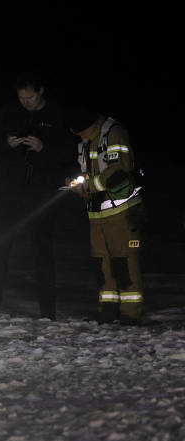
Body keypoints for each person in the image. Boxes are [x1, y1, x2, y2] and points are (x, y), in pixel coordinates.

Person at [0, 73, 75, 320]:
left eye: (30, 97)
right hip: (9, 193)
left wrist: (43, 149)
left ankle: (48, 313)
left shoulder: (56, 115)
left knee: (43, 252)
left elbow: (69, 153)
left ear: (41, 91)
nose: (26, 102)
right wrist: (7, 143)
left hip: (41, 195)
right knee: (0, 248)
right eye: (21, 98)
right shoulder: (8, 113)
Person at [64, 109, 146, 325]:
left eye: (82, 131)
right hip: (97, 212)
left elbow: (119, 171)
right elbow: (90, 169)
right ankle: (108, 311)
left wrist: (89, 186)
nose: (80, 136)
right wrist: (78, 183)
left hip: (122, 210)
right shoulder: (85, 139)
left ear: (92, 124)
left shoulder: (113, 133)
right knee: (102, 264)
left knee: (125, 262)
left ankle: (130, 315)